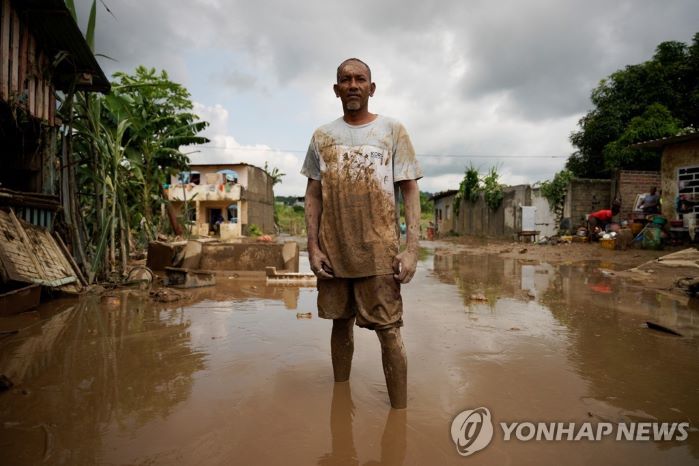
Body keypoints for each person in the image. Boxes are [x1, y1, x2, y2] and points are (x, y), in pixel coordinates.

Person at [302, 58, 422, 409]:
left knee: (389, 330)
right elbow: (312, 193)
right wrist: (313, 247)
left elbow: (410, 188)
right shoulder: (322, 136)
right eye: (345, 80)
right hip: (334, 253)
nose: (352, 85)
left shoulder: (392, 130)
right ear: (336, 89)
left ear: (372, 88)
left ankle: (399, 413)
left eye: (360, 79)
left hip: (380, 252)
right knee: (340, 324)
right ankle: (342, 402)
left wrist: (412, 248)